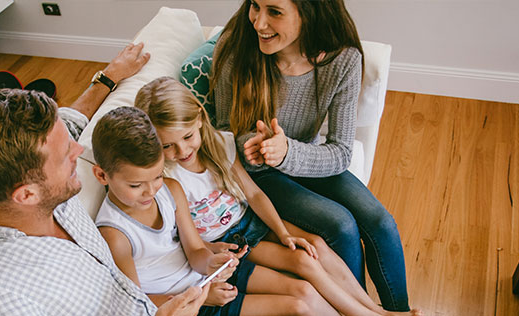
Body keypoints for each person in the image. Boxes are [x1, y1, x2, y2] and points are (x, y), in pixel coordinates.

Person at [135, 76, 418, 316]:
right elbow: (190, 242)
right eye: (168, 146)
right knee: (304, 262)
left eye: (186, 137)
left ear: (198, 118)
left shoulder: (219, 144)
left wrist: (282, 232)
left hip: (251, 221)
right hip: (230, 242)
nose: (182, 152)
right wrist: (215, 252)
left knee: (316, 244)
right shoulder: (167, 178)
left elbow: (255, 195)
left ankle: (376, 311)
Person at [211, 0, 415, 312]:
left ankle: (398, 311)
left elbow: (341, 152)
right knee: (340, 225)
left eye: (274, 12)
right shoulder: (236, 46)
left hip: (304, 157)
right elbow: (223, 128)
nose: (259, 23)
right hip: (259, 171)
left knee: (381, 222)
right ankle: (355, 310)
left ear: (310, 13)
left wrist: (287, 152)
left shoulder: (343, 59)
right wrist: (255, 144)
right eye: (255, 6)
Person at [0, 43, 208, 315]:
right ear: (27, 195)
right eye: (66, 154)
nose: (79, 150)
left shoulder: (44, 181)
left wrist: (109, 76)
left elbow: (73, 120)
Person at [91, 106, 335, 316]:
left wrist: (212, 263)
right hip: (185, 303)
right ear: (102, 175)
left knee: (303, 291)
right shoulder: (115, 234)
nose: (151, 191)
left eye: (156, 176)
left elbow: (196, 251)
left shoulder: (170, 189)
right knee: (298, 308)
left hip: (207, 281)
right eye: (135, 185)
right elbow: (136, 303)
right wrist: (200, 294)